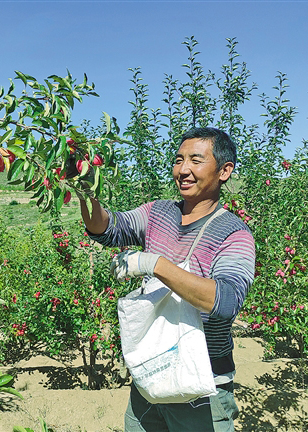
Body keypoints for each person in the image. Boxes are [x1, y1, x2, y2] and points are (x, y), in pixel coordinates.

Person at [78, 127, 255, 432]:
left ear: (225, 171)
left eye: (195, 160)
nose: (183, 169)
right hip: (150, 377)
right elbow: (106, 228)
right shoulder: (158, 213)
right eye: (178, 160)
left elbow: (223, 302)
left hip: (201, 388)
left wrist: (154, 263)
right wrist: (85, 187)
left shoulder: (234, 234)